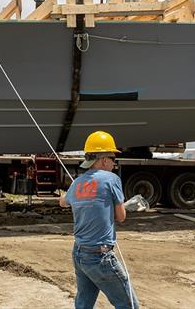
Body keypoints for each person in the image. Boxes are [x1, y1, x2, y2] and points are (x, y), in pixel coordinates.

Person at [60, 131, 138, 309]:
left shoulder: (77, 182)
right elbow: (121, 217)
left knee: (83, 304)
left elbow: (63, 202)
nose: (113, 163)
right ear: (104, 159)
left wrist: (78, 190)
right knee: (129, 305)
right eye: (112, 158)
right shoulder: (112, 179)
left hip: (79, 253)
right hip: (100, 256)